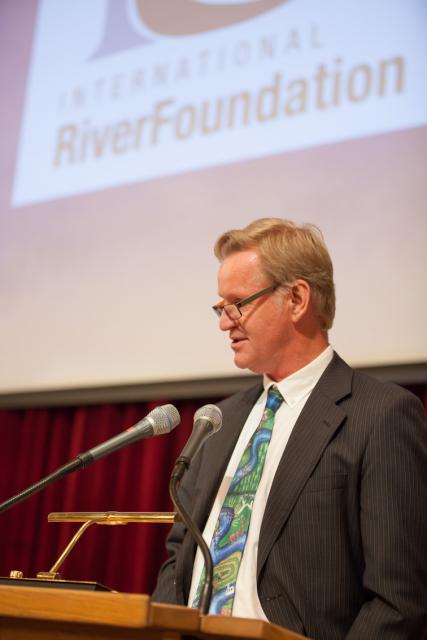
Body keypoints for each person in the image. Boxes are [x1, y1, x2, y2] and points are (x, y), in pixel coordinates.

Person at [152, 218, 427, 639]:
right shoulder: (218, 422)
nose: (225, 322)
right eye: (220, 307)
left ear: (297, 298)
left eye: (238, 303)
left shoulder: (381, 416)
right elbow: (178, 556)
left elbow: (399, 599)